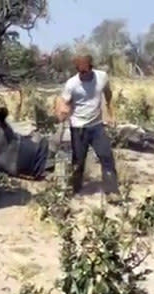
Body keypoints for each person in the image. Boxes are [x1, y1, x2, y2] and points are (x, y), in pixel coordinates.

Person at [54, 54, 120, 202]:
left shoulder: (102, 77)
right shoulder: (72, 84)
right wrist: (61, 112)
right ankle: (76, 189)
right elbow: (62, 101)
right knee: (78, 162)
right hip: (78, 127)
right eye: (80, 71)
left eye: (86, 70)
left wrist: (111, 114)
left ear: (91, 67)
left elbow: (108, 95)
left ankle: (112, 191)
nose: (83, 74)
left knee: (106, 156)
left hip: (96, 126)